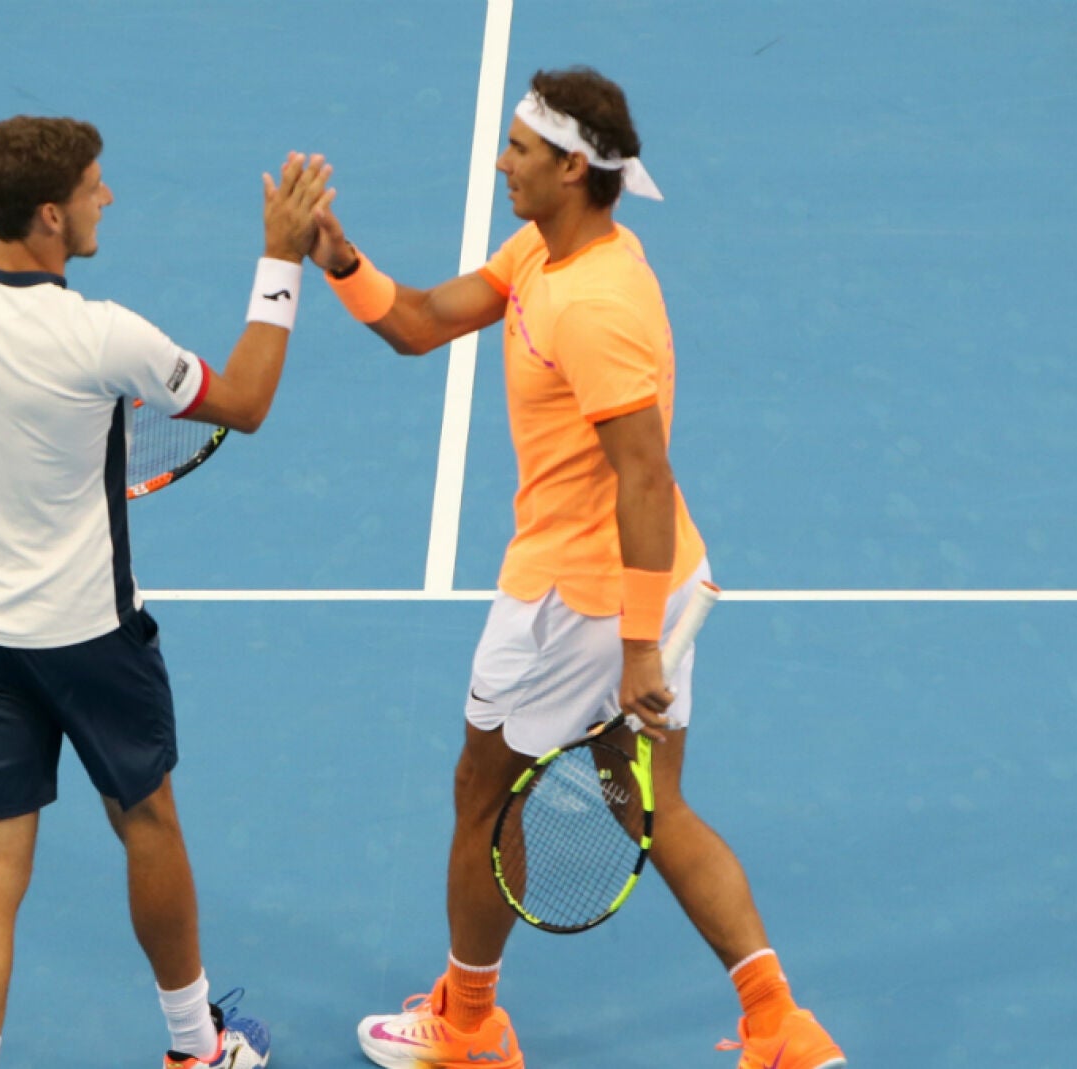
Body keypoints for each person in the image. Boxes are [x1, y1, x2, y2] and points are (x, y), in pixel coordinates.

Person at [308, 68, 847, 1069]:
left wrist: (637, 644)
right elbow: (420, 323)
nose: (499, 157)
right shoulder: (550, 250)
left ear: (570, 165)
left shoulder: (595, 306)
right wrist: (340, 261)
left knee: (482, 790)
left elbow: (642, 477)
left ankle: (467, 1028)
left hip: (582, 601)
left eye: (517, 147)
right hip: (654, 578)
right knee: (647, 802)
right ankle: (781, 1027)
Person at [0, 114, 333, 1069]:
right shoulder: (104, 336)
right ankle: (196, 1048)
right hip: (87, 637)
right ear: (49, 215)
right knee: (149, 821)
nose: (105, 197)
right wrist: (282, 260)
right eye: (93, 187)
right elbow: (244, 401)